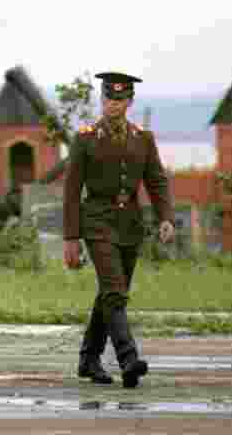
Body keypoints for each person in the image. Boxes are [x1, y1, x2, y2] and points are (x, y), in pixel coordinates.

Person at [63, 73, 174, 388]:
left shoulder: (143, 138)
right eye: (109, 98)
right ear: (102, 99)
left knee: (110, 294)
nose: (114, 104)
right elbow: (71, 191)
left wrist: (165, 216)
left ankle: (89, 358)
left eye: (120, 99)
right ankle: (128, 359)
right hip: (96, 222)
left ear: (129, 102)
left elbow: (156, 180)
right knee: (115, 292)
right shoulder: (85, 138)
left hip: (130, 225)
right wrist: (71, 238)